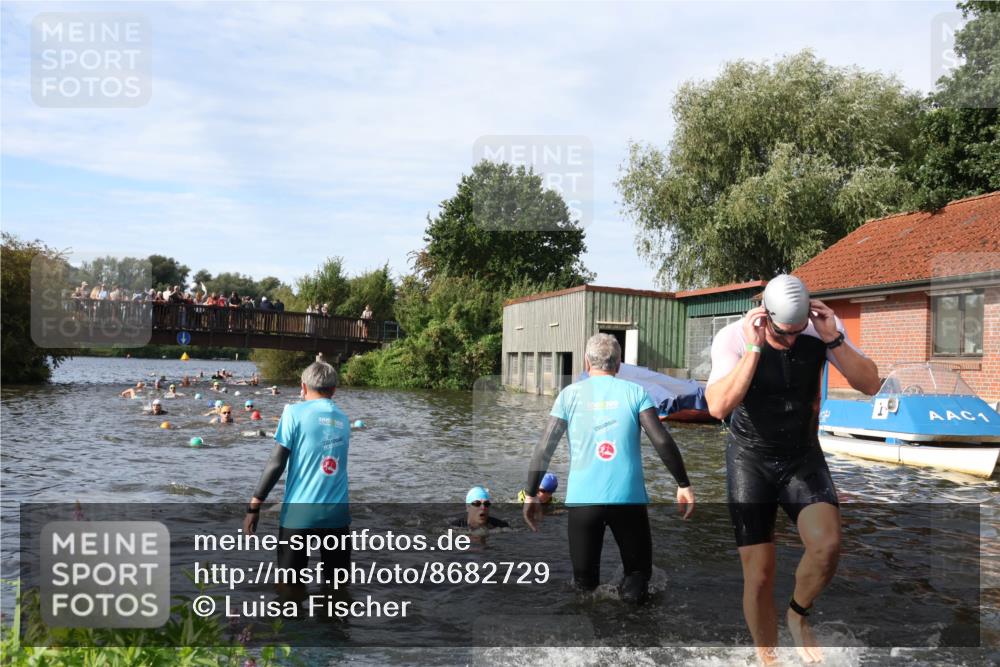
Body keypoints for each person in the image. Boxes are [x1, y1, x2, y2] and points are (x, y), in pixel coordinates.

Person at [704, 274, 880, 665]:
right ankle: (768, 658)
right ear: (765, 314)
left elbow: (871, 384)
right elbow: (717, 406)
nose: (791, 340)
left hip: (802, 455)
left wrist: (832, 338)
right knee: (760, 574)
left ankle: (798, 615)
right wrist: (754, 349)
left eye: (798, 331)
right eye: (784, 333)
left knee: (827, 544)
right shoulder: (733, 337)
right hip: (750, 458)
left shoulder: (820, 330)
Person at [523, 333, 695, 605]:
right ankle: (634, 635)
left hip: (583, 501)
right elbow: (661, 439)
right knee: (638, 575)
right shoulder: (635, 392)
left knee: (584, 586)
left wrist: (531, 494)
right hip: (628, 499)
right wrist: (683, 484)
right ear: (618, 364)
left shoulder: (569, 396)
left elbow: (544, 448)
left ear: (586, 362)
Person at [243, 360, 351, 602]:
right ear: (334, 389)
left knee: (289, 590)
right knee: (337, 590)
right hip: (337, 516)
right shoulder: (344, 420)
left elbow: (276, 462)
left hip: (299, 515)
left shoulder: (293, 412)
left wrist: (254, 505)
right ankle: (334, 633)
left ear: (303, 386)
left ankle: (292, 634)